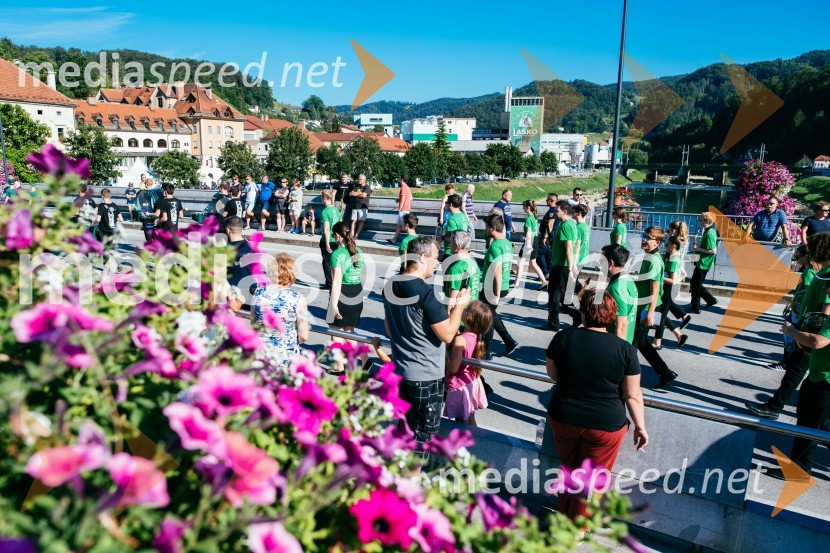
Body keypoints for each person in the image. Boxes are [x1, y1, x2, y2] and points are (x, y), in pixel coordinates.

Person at [545, 288, 647, 520]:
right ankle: (577, 527)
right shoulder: (625, 350)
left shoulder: (563, 337)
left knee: (569, 469)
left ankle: (564, 517)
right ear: (611, 315)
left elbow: (553, 374)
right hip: (605, 424)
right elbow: (632, 395)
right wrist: (640, 426)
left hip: (564, 416)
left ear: (583, 313)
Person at [382, 236, 469, 458]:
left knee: (403, 437)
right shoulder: (425, 292)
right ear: (422, 257)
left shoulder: (390, 285)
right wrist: (460, 304)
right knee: (419, 448)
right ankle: (411, 488)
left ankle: (396, 483)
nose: (438, 264)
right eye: (436, 258)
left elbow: (390, 329)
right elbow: (448, 335)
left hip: (401, 373)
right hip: (425, 379)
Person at [746, 236, 830, 420]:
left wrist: (809, 336)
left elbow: (826, 307)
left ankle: (774, 407)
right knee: (796, 371)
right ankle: (776, 406)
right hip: (805, 328)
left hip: (811, 333)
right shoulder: (821, 272)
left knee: (795, 371)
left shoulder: (827, 274)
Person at [774, 303, 830, 481]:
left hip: (824, 382)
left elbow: (818, 341)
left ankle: (799, 469)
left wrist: (791, 331)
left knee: (809, 425)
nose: (826, 289)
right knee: (815, 424)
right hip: (817, 377)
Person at [635, 226, 678, 389]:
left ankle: (625, 376)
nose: (644, 239)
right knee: (641, 342)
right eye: (643, 235)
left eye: (648, 237)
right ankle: (665, 372)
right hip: (646, 306)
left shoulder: (653, 260)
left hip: (648, 307)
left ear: (657, 242)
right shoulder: (650, 256)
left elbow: (654, 291)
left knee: (635, 342)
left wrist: (649, 314)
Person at [251, 253, 310, 369]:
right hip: (285, 354)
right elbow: (304, 335)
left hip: (261, 351)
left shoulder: (258, 293)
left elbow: (253, 324)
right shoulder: (297, 298)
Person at [445, 301, 492, 426]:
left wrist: (443, 352)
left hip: (460, 386)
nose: (463, 310)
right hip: (471, 382)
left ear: (469, 317)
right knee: (470, 418)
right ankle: (476, 443)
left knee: (462, 422)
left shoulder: (461, 340)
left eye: (465, 309)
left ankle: (465, 444)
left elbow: (453, 368)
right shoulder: (475, 337)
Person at [540, 201, 581, 331]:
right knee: (561, 295)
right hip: (562, 265)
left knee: (554, 294)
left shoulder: (566, 226)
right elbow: (577, 244)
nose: (555, 213)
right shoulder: (571, 224)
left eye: (557, 211)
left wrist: (570, 268)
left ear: (564, 211)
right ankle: (577, 315)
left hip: (561, 266)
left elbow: (569, 247)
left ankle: (553, 323)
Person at [481, 213, 518, 358]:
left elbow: (497, 271)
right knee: (492, 315)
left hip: (493, 287)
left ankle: (487, 350)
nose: (485, 230)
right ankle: (509, 341)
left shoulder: (495, 246)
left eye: (486, 227)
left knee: (487, 317)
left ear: (493, 228)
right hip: (502, 286)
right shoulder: (506, 243)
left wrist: (495, 294)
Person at [652, 236, 689, 350]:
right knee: (659, 314)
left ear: (673, 246)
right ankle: (679, 335)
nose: (665, 246)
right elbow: (684, 275)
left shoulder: (673, 260)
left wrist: (658, 277)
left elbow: (672, 280)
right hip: (671, 289)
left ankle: (657, 342)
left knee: (660, 316)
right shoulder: (675, 257)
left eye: (667, 244)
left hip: (668, 290)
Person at [328, 222, 365, 332]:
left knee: (335, 332)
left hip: (343, 292)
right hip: (357, 291)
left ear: (337, 235)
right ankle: (356, 350)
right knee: (349, 332)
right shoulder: (359, 251)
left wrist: (333, 304)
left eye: (333, 236)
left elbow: (337, 281)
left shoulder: (337, 254)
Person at [602, 244, 638, 344]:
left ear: (610, 263)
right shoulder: (628, 280)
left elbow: (621, 324)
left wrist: (619, 351)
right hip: (627, 340)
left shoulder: (616, 288)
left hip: (615, 343)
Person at [688, 212, 718, 314]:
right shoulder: (708, 231)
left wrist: (698, 248)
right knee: (695, 283)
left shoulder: (709, 233)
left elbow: (713, 250)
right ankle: (699, 304)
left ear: (708, 221)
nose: (699, 221)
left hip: (704, 263)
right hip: (702, 261)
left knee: (695, 284)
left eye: (701, 220)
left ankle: (703, 302)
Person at [515, 200, 548, 290]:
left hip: (530, 241)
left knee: (520, 261)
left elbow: (529, 233)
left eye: (524, 207)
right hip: (535, 240)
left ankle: (516, 282)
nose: (523, 208)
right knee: (533, 263)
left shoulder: (529, 219)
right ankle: (544, 281)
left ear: (528, 207)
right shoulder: (534, 217)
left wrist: (528, 245)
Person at [444, 230, 481, 309]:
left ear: (457, 246)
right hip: (472, 310)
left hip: (459, 315)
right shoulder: (474, 263)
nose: (449, 245)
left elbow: (452, 300)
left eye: (450, 242)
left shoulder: (456, 268)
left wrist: (448, 314)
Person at [225, 216, 255, 298]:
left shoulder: (225, 251)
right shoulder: (252, 246)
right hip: (252, 291)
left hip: (235, 295)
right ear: (241, 229)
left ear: (228, 230)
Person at [319, 189, 342, 290]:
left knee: (326, 262)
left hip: (328, 240)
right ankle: (337, 281)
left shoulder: (325, 212)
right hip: (337, 239)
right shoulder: (337, 210)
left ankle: (329, 283)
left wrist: (327, 243)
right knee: (335, 262)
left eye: (322, 198)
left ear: (324, 198)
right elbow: (341, 224)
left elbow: (327, 229)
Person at [537, 193, 559, 277]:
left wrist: (545, 236)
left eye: (547, 200)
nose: (546, 201)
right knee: (548, 256)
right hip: (550, 236)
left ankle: (545, 273)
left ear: (552, 201)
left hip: (548, 237)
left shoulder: (552, 210)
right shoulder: (553, 210)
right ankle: (549, 273)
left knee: (540, 254)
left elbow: (550, 224)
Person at [442, 194, 469, 258]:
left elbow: (451, 239)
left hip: (450, 251)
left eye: (446, 203)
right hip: (462, 250)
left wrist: (442, 238)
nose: (446, 204)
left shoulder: (452, 219)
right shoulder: (463, 216)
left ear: (450, 204)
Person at [572, 203, 591, 293]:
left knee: (572, 279)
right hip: (584, 255)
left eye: (574, 212)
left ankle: (584, 293)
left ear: (579, 213)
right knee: (573, 279)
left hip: (578, 257)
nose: (572, 213)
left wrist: (574, 262)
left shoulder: (578, 228)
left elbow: (577, 245)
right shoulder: (586, 226)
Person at [389, 177, 413, 243]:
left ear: (402, 179)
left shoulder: (403, 188)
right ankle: (394, 239)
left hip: (403, 209)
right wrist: (398, 200)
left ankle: (410, 241)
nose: (398, 180)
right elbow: (410, 198)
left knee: (406, 226)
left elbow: (403, 198)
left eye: (399, 179)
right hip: (407, 208)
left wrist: (400, 208)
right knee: (399, 225)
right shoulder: (408, 188)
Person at [349, 174, 371, 239]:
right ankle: (351, 234)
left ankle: (357, 235)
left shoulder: (367, 187)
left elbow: (364, 195)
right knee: (353, 221)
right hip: (355, 206)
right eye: (358, 179)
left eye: (360, 179)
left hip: (363, 207)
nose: (359, 180)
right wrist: (359, 194)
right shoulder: (356, 186)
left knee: (361, 221)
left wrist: (356, 194)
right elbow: (351, 193)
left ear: (364, 180)